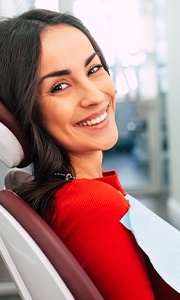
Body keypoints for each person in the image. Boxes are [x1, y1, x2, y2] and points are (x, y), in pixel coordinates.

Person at [0, 8, 180, 299]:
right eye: (60, 86)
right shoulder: (92, 205)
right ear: (26, 111)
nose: (95, 96)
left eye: (94, 69)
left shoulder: (78, 194)